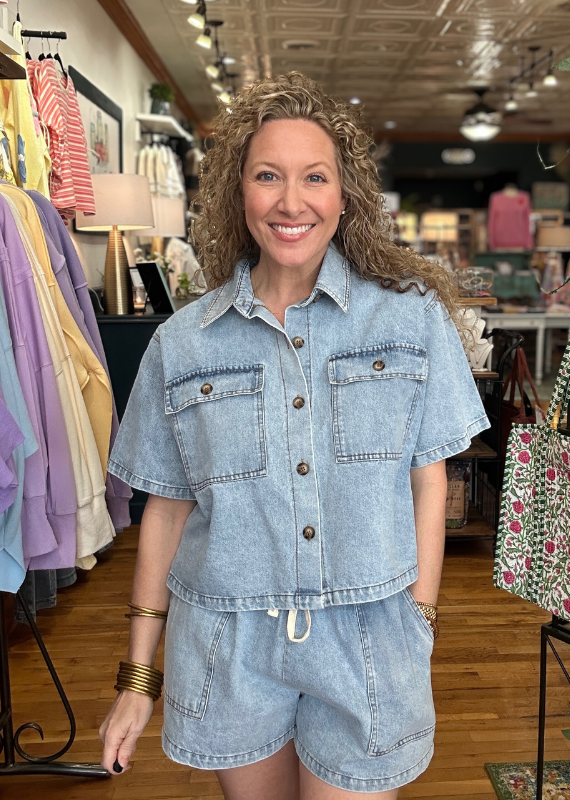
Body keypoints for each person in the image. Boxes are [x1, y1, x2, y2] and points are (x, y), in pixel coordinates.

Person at [99, 72, 489, 799]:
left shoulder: (408, 323)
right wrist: (138, 680)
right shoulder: (184, 344)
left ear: (345, 197)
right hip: (229, 641)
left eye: (315, 177)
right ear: (237, 192)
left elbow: (428, 475)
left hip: (368, 638)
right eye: (267, 176)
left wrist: (420, 620)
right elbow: (168, 510)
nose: (290, 201)